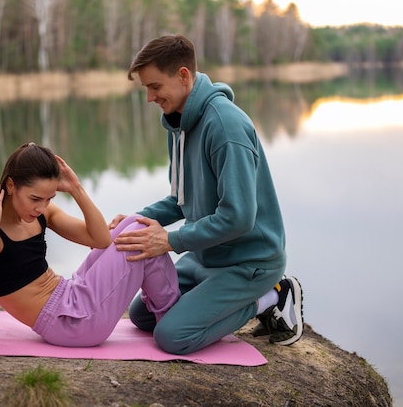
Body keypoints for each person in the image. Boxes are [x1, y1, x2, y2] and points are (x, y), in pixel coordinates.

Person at [110, 34, 304, 355]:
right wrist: (136, 219)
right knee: (143, 316)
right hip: (206, 256)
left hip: (249, 261)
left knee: (173, 336)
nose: (149, 97)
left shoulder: (225, 126)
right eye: (146, 88)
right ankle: (224, 295)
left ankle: (272, 296)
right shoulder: (179, 123)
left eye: (155, 86)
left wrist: (170, 241)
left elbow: (239, 218)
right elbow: (179, 199)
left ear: (183, 76)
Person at [0, 142, 180, 347]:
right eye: (35, 199)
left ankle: (167, 316)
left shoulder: (42, 214)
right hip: (71, 324)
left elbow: (100, 240)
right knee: (139, 235)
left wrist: (75, 189)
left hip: (71, 296)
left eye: (49, 199)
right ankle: (174, 321)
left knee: (132, 223)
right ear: (11, 186)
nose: (41, 208)